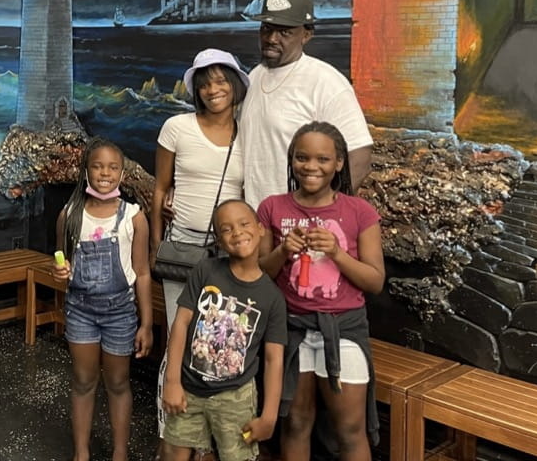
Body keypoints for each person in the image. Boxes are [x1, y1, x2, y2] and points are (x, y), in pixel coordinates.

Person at [256, 121, 384, 461]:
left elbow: (375, 281)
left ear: (339, 163)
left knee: (349, 430)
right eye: (302, 158)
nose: (311, 166)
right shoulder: (272, 207)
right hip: (291, 329)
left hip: (343, 330)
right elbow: (259, 276)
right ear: (291, 160)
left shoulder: (360, 212)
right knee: (296, 423)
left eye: (323, 159)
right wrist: (282, 251)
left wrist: (337, 253)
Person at [150, 48, 248, 456]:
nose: (213, 89)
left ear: (236, 84)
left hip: (229, 256)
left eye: (221, 80)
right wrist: (157, 245)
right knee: (179, 342)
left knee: (218, 347)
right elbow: (160, 190)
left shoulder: (249, 133)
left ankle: (206, 443)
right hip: (183, 249)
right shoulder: (177, 127)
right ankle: (171, 437)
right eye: (205, 83)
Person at [160, 199, 286, 461]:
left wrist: (269, 416)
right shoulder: (206, 270)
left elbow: (274, 359)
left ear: (260, 229)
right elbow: (181, 323)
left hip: (236, 397)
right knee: (173, 452)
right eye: (226, 229)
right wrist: (171, 382)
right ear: (218, 240)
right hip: (189, 388)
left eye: (244, 224)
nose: (237, 232)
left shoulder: (272, 297)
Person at [53, 137, 154, 461]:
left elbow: (142, 272)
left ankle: (120, 453)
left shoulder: (133, 217)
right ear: (86, 171)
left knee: (118, 382)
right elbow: (61, 262)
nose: (105, 173)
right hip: (80, 311)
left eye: (112, 167)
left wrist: (146, 323)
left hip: (120, 313)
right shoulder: (70, 214)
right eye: (97, 166)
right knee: (83, 381)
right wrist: (60, 272)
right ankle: (81, 453)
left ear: (122, 173)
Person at [239, 0, 373, 210]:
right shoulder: (254, 76)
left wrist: (326, 213)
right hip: (255, 218)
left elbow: (359, 155)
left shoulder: (326, 82)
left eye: (285, 32)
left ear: (306, 35)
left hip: (301, 222)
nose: (271, 39)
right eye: (267, 29)